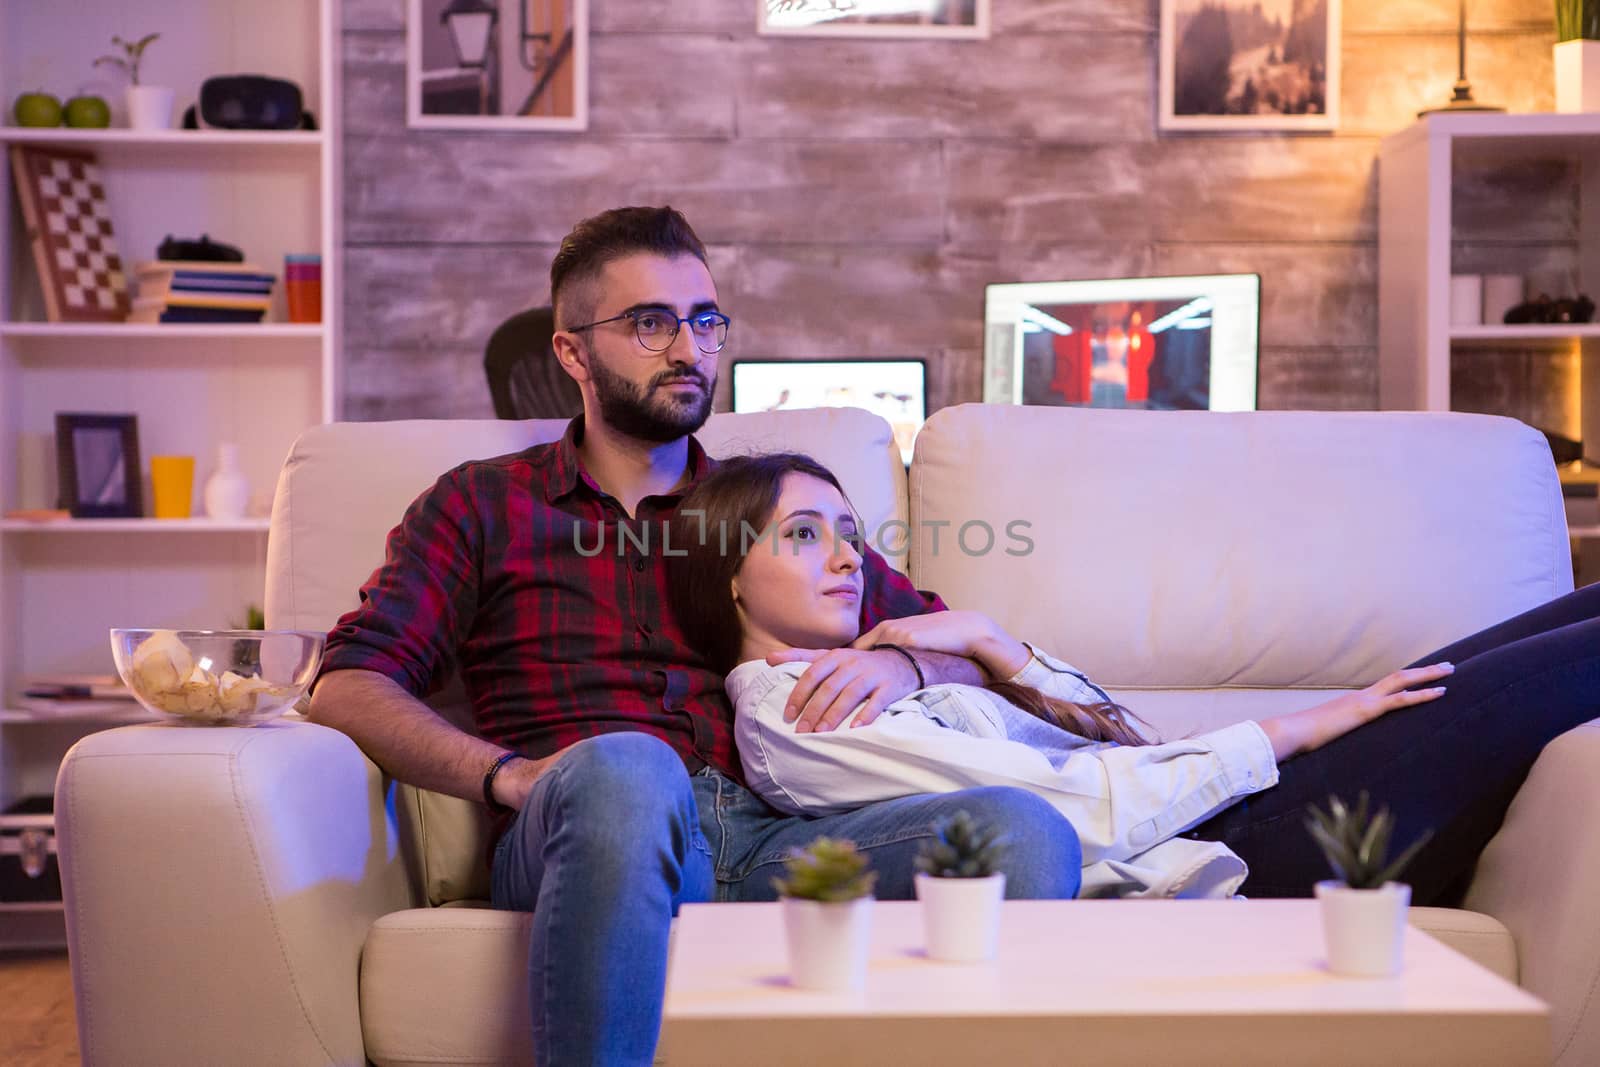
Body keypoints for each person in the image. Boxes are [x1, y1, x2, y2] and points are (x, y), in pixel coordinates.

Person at [306, 206, 1082, 1067]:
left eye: (706, 320)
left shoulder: (766, 507)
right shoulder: (481, 505)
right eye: (651, 323)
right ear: (572, 352)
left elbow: (960, 646)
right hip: (590, 822)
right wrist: (508, 776)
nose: (689, 348)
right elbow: (346, 681)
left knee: (1026, 831)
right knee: (631, 766)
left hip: (777, 834)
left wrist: (905, 662)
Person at [664, 451, 1600, 904]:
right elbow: (1081, 813)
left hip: (1224, 792)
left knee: (1569, 616)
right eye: (802, 533)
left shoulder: (876, 662)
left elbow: (1120, 735)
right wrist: (1305, 725)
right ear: (728, 571)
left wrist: (994, 640)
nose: (846, 557)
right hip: (1242, 842)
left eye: (850, 531)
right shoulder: (799, 714)